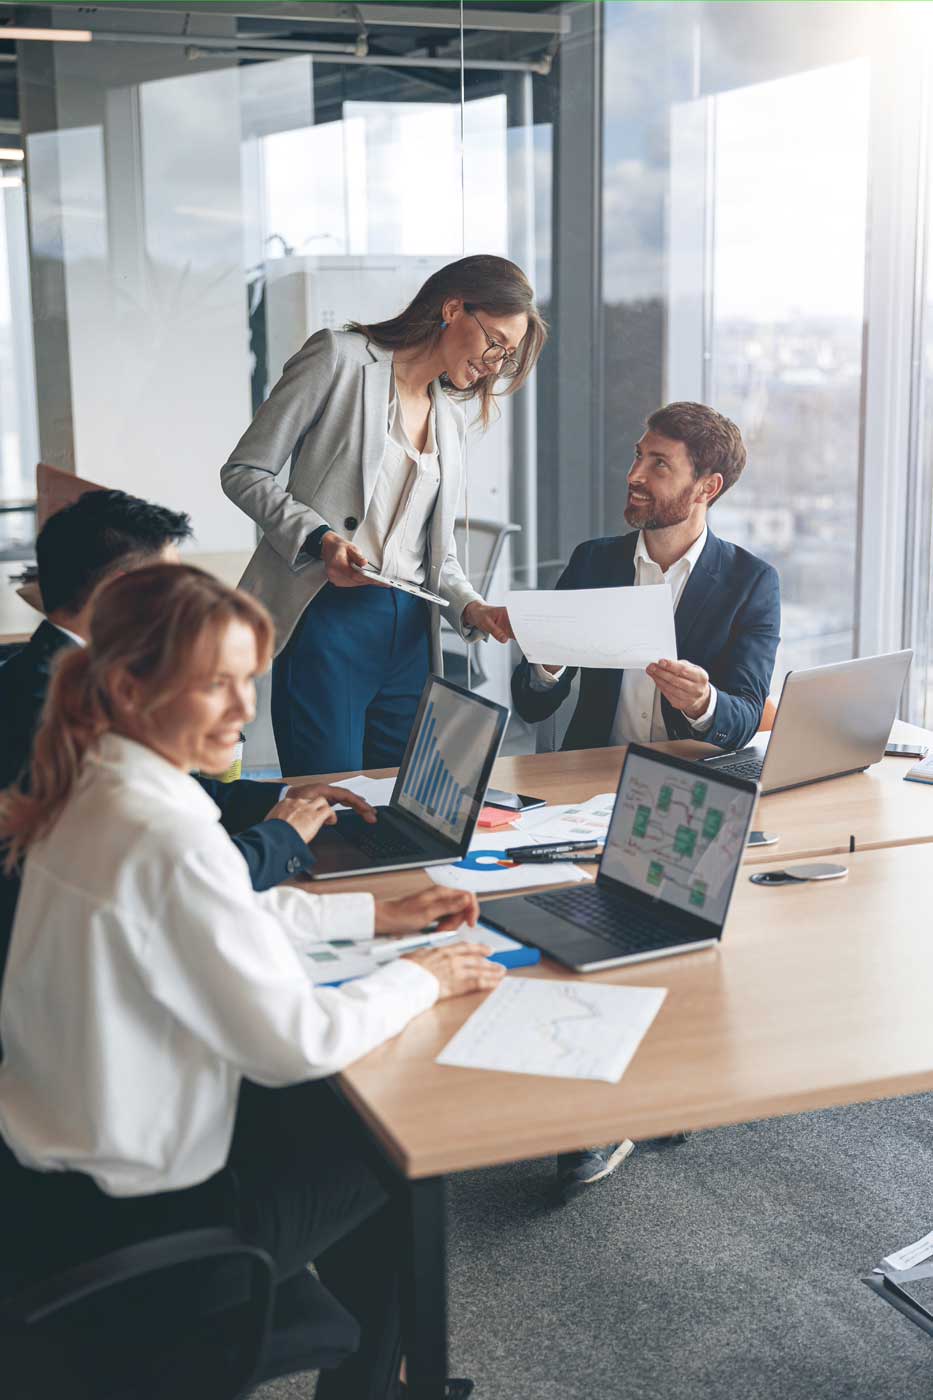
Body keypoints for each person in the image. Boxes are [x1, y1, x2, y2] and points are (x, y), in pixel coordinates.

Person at [0, 563, 502, 1400]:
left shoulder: (95, 781)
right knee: (395, 1147)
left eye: (248, 681)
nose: (244, 710)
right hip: (138, 1219)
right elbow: (296, 1043)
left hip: (48, 1176)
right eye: (216, 686)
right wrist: (423, 974)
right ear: (129, 688)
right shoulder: (164, 833)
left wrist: (372, 917)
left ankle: (380, 1384)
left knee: (341, 1123)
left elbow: (212, 910)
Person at [510, 401, 781, 1202]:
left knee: (654, 932)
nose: (632, 474)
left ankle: (639, 1092)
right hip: (584, 780)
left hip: (681, 788)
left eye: (657, 464)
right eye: (637, 456)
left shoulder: (748, 581)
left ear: (706, 486)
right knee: (569, 923)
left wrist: (702, 702)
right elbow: (530, 702)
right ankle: (590, 1090)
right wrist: (546, 662)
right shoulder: (594, 561)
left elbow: (742, 713)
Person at [221, 254, 547, 778]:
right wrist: (320, 539)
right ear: (454, 308)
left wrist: (472, 607)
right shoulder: (339, 359)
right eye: (495, 343)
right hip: (327, 619)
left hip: (410, 635)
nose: (494, 364)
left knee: (401, 803)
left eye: (506, 356)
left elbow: (434, 552)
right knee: (331, 796)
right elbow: (245, 472)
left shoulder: (450, 417)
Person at [0, 488, 378, 891]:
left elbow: (171, 792)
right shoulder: (50, 710)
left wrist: (283, 798)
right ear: (122, 594)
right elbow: (182, 880)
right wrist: (283, 835)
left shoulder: (50, 674)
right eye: (173, 588)